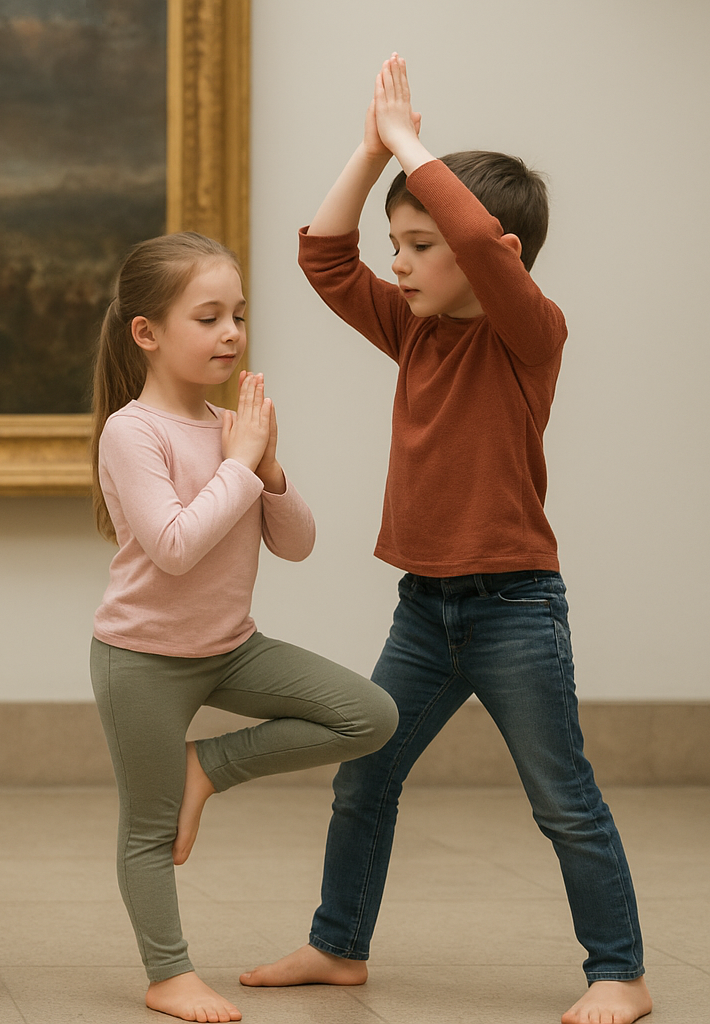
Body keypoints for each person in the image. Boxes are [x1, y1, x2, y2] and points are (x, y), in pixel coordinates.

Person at [240, 55, 653, 1024]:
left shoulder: (529, 332)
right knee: (365, 775)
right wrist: (374, 145)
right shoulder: (415, 329)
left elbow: (475, 234)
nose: (400, 261)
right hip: (425, 609)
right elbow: (323, 257)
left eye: (421, 243)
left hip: (516, 609)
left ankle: (621, 971)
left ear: (489, 254)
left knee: (563, 799)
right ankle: (339, 946)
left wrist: (414, 146)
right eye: (400, 240)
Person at [89, 231, 398, 1022]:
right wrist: (240, 460)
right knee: (149, 829)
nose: (231, 332)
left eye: (239, 314)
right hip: (143, 658)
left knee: (369, 714)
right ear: (147, 333)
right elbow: (176, 547)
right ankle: (168, 974)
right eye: (208, 317)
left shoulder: (235, 428)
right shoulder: (133, 432)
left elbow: (295, 543)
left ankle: (209, 768)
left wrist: (268, 468)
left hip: (231, 647)